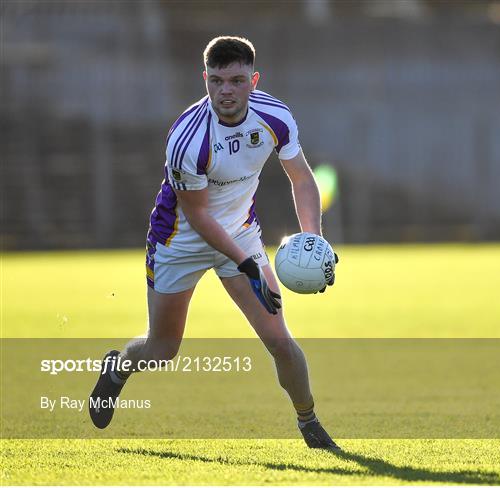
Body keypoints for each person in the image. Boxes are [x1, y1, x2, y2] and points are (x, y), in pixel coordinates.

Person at [89, 36, 339, 449]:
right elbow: (199, 216)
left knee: (280, 341)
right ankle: (117, 369)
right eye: (218, 81)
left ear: (253, 80)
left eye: (237, 80)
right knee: (162, 348)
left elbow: (301, 178)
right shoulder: (188, 139)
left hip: (240, 231)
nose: (226, 91)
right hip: (179, 241)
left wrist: (314, 242)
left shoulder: (275, 117)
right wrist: (247, 264)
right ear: (204, 79)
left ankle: (309, 423)